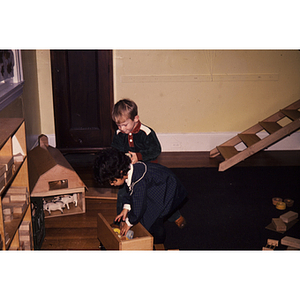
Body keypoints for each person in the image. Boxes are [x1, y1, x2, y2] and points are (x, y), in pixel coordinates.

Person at [111, 98, 186, 228]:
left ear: (135, 119)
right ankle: (123, 219)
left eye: (125, 125)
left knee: (156, 199)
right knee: (123, 194)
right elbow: (115, 151)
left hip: (147, 172)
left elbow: (156, 150)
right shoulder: (119, 134)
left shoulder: (146, 132)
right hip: (127, 172)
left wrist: (139, 157)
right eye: (119, 125)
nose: (122, 129)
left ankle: (175, 215)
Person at [94, 147, 188, 244]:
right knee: (141, 207)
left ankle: (158, 240)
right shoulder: (130, 170)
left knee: (153, 220)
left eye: (112, 181)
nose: (111, 184)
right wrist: (126, 207)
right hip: (157, 184)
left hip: (168, 190)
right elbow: (129, 190)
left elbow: (138, 206)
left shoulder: (139, 183)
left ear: (121, 173)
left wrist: (129, 223)